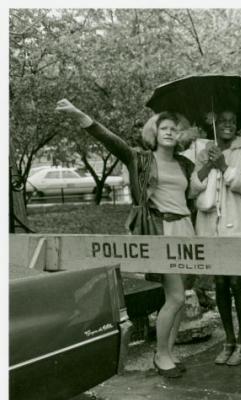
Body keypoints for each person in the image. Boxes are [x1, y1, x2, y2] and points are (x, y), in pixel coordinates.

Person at [55, 99, 195, 379]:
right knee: (176, 296)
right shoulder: (140, 159)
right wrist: (81, 115)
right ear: (154, 133)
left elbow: (191, 195)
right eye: (163, 127)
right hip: (159, 232)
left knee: (182, 297)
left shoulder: (184, 164)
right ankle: (160, 355)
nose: (168, 132)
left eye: (174, 128)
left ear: (180, 134)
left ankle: (169, 351)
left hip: (186, 230)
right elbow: (111, 141)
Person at [190, 109, 241, 366]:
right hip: (212, 228)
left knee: (237, 282)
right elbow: (192, 189)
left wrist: (225, 168)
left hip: (239, 227)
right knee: (220, 284)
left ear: (238, 125)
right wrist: (210, 165)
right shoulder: (204, 152)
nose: (227, 126)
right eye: (222, 121)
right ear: (211, 123)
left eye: (233, 122)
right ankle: (228, 340)